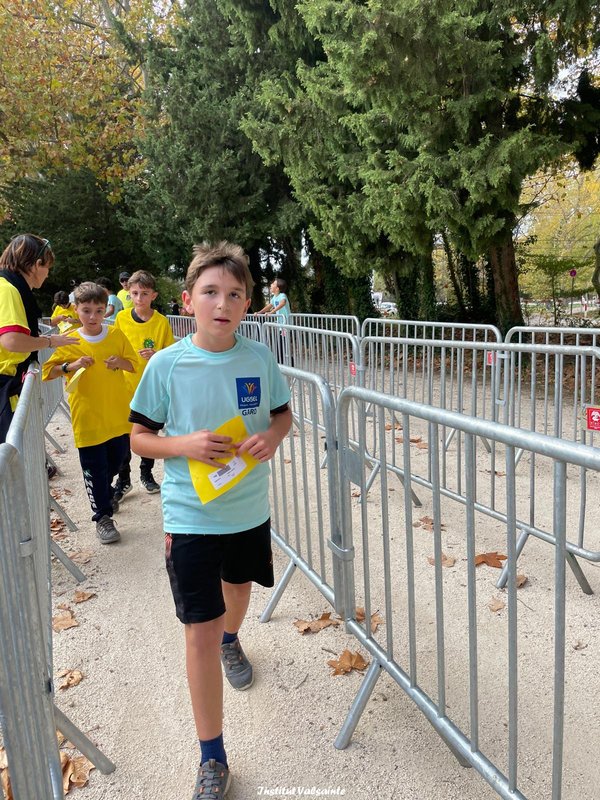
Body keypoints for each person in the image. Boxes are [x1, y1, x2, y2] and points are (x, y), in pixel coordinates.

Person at [129, 241, 291, 798]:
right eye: (211, 292)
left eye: (235, 294)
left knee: (239, 591)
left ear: (248, 304)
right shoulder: (166, 364)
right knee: (197, 628)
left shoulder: (259, 358)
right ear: (188, 300)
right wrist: (185, 445)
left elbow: (282, 414)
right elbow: (139, 437)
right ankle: (212, 756)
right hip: (190, 516)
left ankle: (233, 639)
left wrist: (270, 437)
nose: (223, 303)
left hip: (249, 511)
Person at [42, 282, 137, 544]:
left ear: (106, 310)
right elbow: (48, 372)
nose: (93, 317)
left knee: (117, 461)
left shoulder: (116, 335)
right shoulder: (70, 339)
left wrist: (120, 362)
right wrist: (70, 365)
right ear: (76, 310)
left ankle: (104, 493)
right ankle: (102, 517)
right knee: (94, 469)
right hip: (88, 420)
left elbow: (133, 364)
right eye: (86, 311)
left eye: (98, 310)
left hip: (117, 416)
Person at [0, 234, 80, 443]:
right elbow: (12, 340)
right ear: (36, 265)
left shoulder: (6, 284)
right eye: (48, 268)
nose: (47, 275)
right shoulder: (8, 289)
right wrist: (51, 342)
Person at [113, 270, 175, 499]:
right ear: (128, 294)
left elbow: (169, 354)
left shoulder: (161, 322)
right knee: (124, 433)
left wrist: (157, 354)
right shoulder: (121, 319)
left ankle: (146, 473)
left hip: (150, 386)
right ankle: (124, 477)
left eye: (144, 294)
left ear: (154, 295)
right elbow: (115, 346)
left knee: (148, 431)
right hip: (124, 384)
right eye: (135, 293)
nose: (139, 298)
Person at [257, 278, 292, 364]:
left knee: (283, 345)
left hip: (285, 326)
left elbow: (283, 303)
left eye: (273, 284)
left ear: (277, 288)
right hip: (280, 326)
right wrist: (259, 312)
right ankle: (282, 365)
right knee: (279, 346)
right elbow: (269, 306)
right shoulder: (274, 297)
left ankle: (289, 365)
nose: (271, 285)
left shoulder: (282, 295)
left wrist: (272, 312)